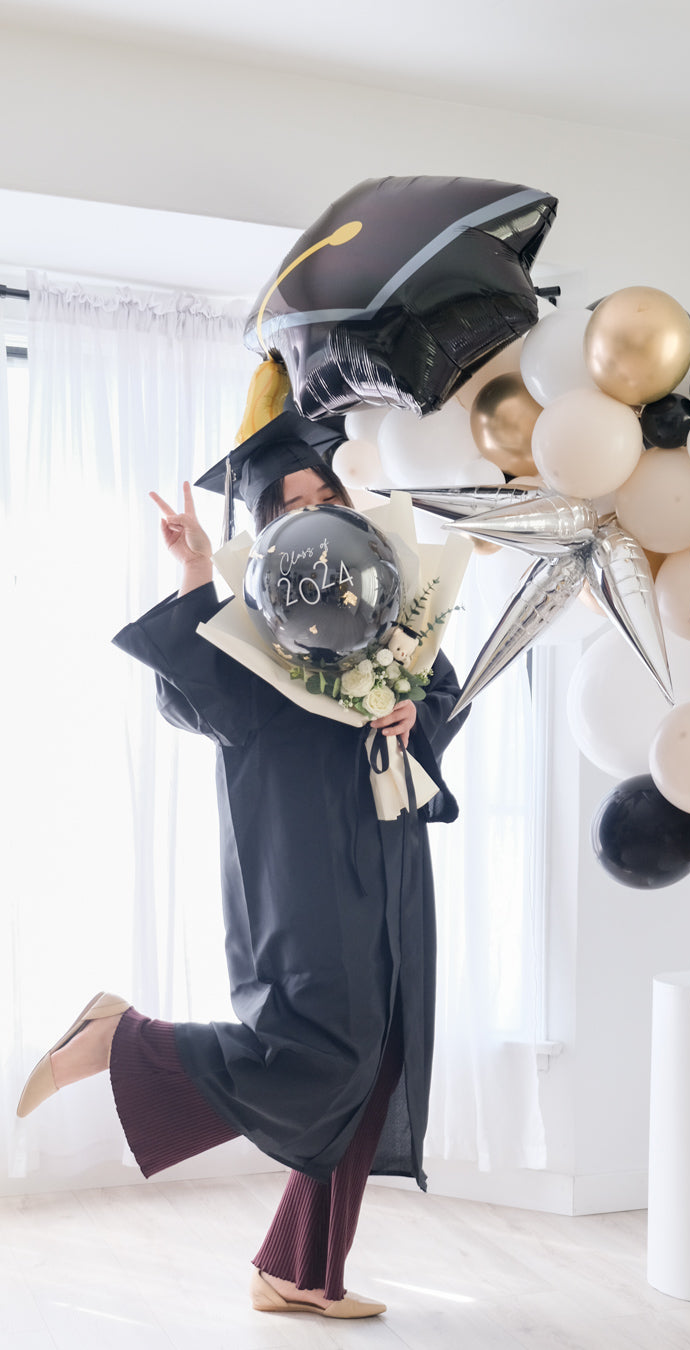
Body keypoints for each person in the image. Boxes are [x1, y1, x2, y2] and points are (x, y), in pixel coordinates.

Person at [16, 409, 469, 1319]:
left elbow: (445, 697)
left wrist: (414, 715)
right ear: (266, 533)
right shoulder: (255, 638)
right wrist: (192, 568)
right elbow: (192, 692)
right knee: (321, 1056)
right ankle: (120, 1040)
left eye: (323, 494)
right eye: (287, 503)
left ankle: (297, 1272)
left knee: (376, 1060)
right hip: (300, 869)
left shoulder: (396, 623)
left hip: (387, 856)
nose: (311, 511)